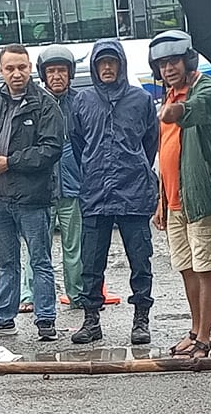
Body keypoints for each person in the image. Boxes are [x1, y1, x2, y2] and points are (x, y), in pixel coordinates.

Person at [0, 45, 67, 341]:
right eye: (10, 68)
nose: (16, 73)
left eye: (21, 67)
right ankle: (2, 317)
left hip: (32, 199)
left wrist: (10, 162)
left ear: (30, 69)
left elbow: (51, 150)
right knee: (6, 262)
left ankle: (46, 318)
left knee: (40, 260)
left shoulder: (45, 104)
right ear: (1, 71)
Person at [68, 38, 160, 345]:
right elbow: (79, 142)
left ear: (121, 65)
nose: (107, 67)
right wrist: (95, 168)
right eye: (101, 63)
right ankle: (91, 320)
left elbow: (150, 143)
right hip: (95, 191)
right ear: (95, 67)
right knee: (91, 262)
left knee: (140, 259)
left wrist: (134, 169)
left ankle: (141, 319)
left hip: (134, 191)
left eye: (112, 62)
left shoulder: (141, 99)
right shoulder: (82, 101)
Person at [150, 30, 211, 359]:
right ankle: (194, 330)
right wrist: (161, 200)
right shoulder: (168, 95)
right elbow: (165, 152)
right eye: (163, 64)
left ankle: (205, 339)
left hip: (201, 197)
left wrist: (179, 111)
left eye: (174, 61)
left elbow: (207, 106)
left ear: (188, 61)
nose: (168, 69)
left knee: (205, 266)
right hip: (173, 198)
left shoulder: (203, 87)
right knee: (186, 267)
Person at [38, 46, 87, 312]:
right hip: (40, 190)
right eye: (51, 71)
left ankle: (77, 294)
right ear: (43, 75)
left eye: (62, 71)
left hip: (72, 187)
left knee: (74, 246)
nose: (57, 76)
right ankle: (31, 297)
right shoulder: (35, 103)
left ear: (70, 73)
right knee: (37, 248)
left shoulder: (80, 102)